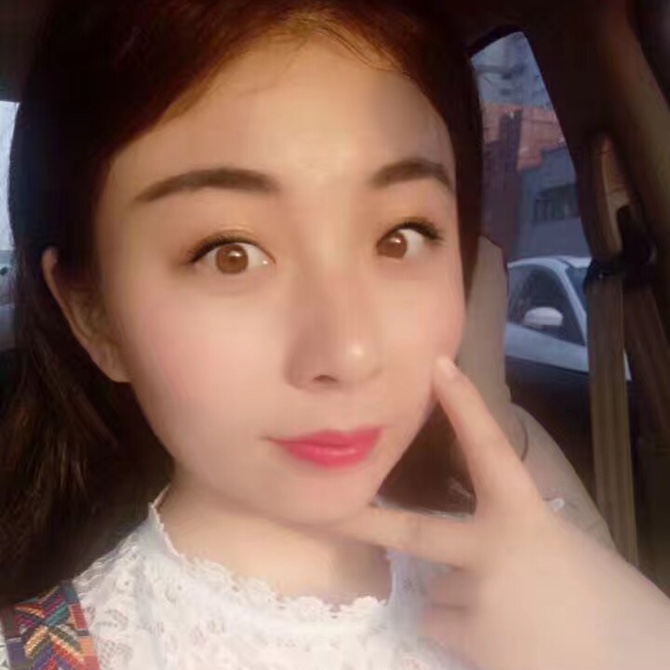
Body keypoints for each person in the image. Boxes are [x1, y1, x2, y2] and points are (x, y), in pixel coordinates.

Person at [0, 1, 668, 669]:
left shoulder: (553, 578)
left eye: (401, 237)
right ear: (94, 316)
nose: (348, 354)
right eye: (230, 254)